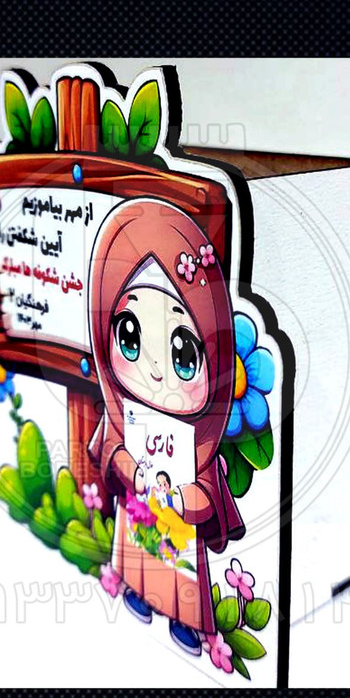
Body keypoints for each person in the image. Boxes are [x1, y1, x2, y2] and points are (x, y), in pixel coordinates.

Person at [87, 198, 245, 655]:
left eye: (183, 354)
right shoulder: (125, 412)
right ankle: (136, 591)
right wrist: (134, 473)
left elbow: (206, 497)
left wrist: (179, 498)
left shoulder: (200, 443)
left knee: (181, 578)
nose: (156, 372)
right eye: (129, 338)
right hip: (138, 517)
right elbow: (113, 452)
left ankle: (185, 622)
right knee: (136, 556)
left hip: (176, 529)